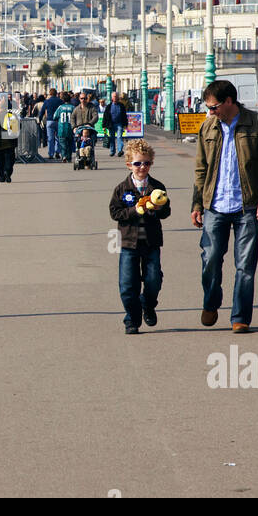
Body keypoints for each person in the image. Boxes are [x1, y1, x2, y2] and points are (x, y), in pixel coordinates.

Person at [191, 79, 258, 333]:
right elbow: (200, 169)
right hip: (214, 205)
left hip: (248, 206)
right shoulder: (207, 127)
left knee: (245, 266)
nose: (210, 112)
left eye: (214, 106)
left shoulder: (257, 124)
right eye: (208, 107)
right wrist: (197, 204)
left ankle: (240, 317)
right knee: (210, 259)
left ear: (230, 101)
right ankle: (211, 301)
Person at [109, 140, 172, 334]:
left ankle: (148, 304)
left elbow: (166, 212)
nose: (142, 167)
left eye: (146, 163)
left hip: (151, 242)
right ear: (129, 164)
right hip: (129, 242)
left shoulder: (157, 187)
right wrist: (135, 211)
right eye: (137, 163)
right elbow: (115, 212)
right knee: (128, 285)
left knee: (153, 280)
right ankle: (132, 319)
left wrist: (160, 208)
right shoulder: (122, 188)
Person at [102, 92, 129, 156]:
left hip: (119, 123)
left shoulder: (121, 106)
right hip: (111, 124)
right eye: (114, 96)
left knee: (119, 137)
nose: (115, 97)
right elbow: (105, 116)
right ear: (112, 98)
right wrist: (104, 125)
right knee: (112, 138)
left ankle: (120, 150)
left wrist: (125, 124)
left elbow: (124, 116)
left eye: (116, 96)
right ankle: (112, 151)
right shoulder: (109, 106)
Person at [39, 88, 61, 160]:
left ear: (50, 94)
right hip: (58, 121)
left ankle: (51, 154)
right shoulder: (60, 101)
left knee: (50, 138)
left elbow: (42, 111)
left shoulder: (47, 101)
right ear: (56, 93)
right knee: (58, 137)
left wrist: (39, 119)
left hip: (49, 121)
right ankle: (57, 152)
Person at [54, 91, 76, 161]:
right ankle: (69, 157)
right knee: (69, 144)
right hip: (70, 128)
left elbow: (54, 116)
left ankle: (64, 156)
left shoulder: (60, 107)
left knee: (63, 144)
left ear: (63, 100)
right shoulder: (73, 107)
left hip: (61, 128)